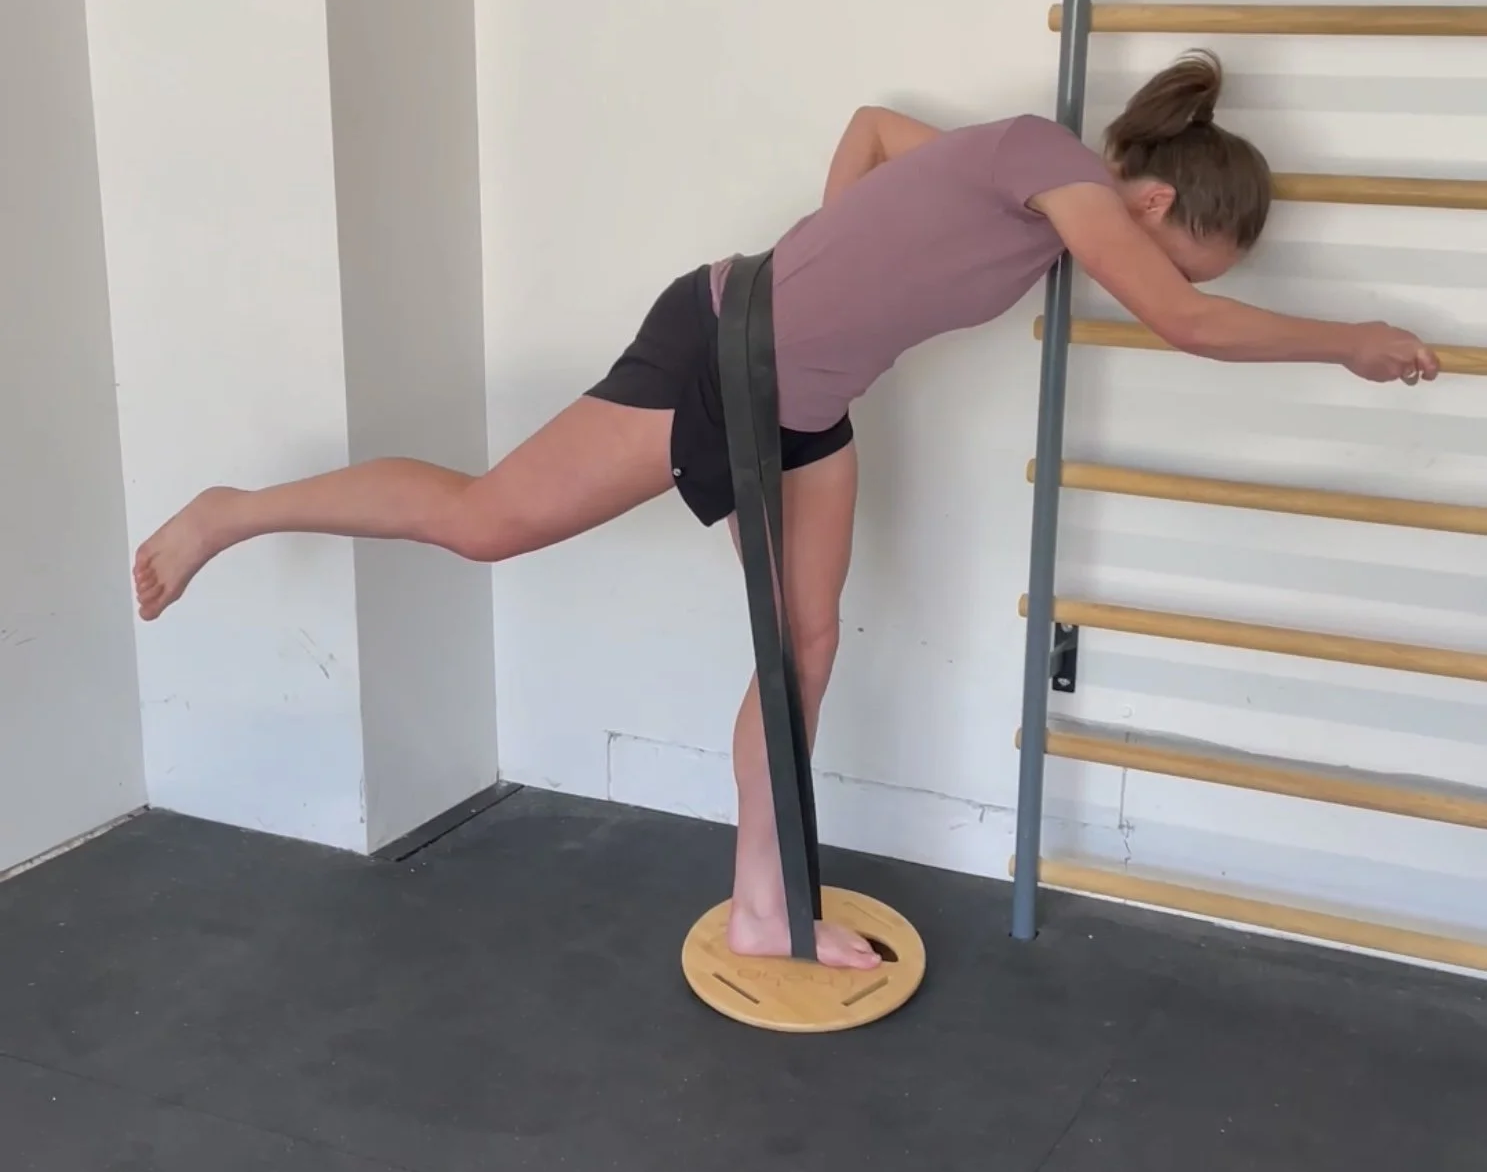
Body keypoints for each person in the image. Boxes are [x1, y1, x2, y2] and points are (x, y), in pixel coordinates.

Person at [132, 51, 1440, 970]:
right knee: (484, 522)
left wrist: (836, 263)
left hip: (805, 398)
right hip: (721, 350)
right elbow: (1187, 323)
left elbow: (871, 129)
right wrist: (1350, 342)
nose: (1149, 274)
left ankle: (765, 906)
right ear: (1149, 201)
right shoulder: (1044, 163)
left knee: (802, 643)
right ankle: (232, 511)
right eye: (1170, 251)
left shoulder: (1036, 199)